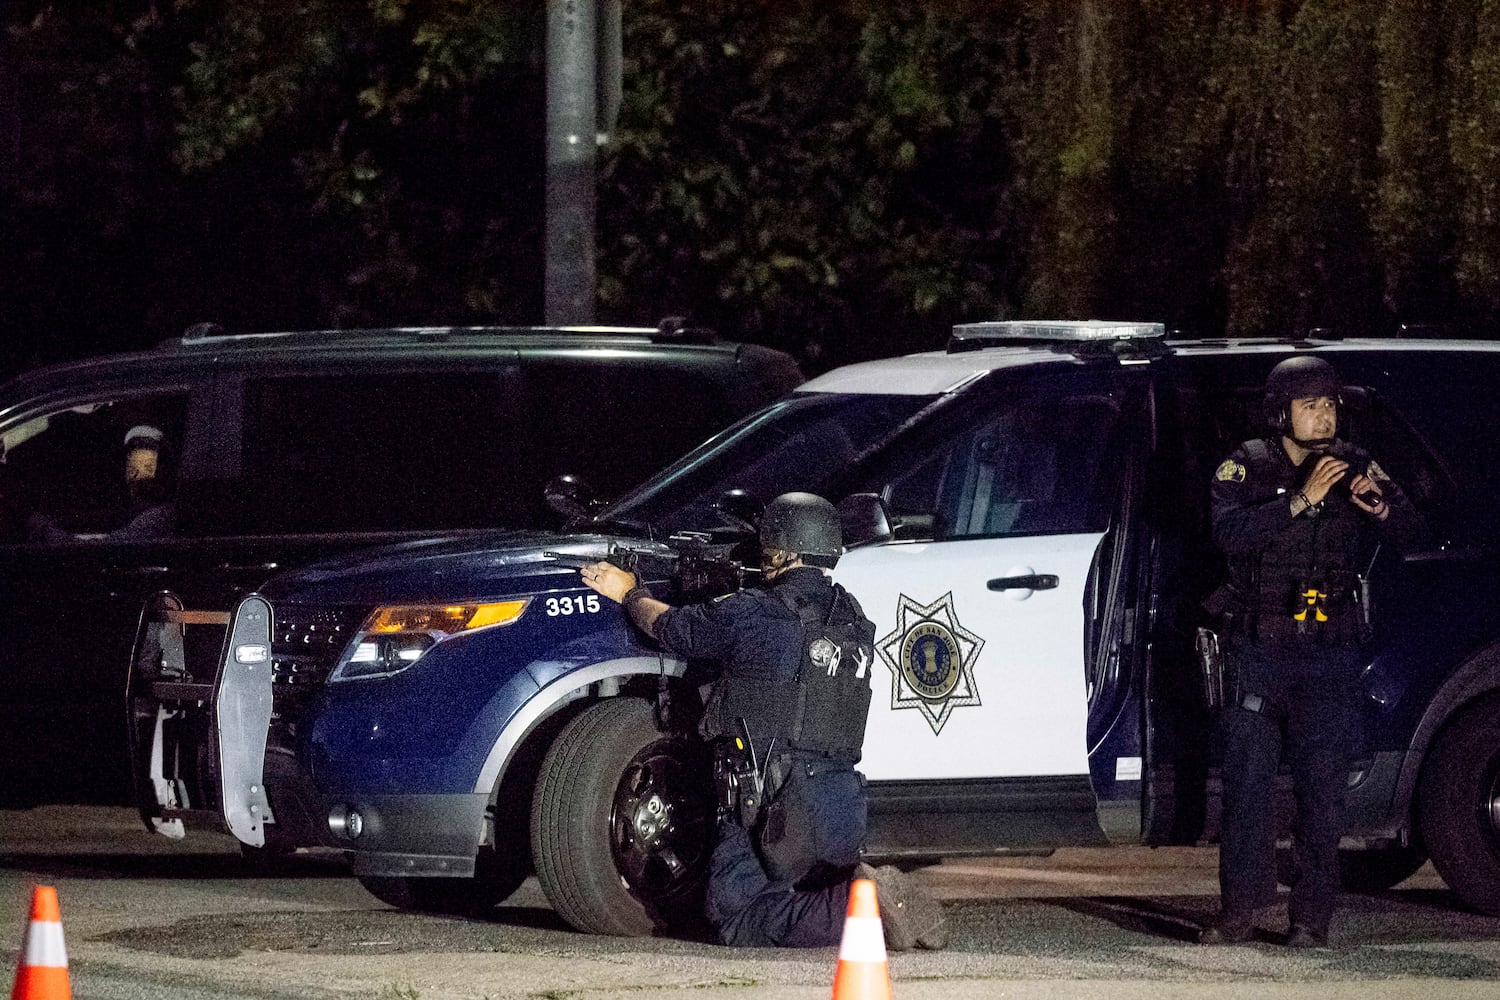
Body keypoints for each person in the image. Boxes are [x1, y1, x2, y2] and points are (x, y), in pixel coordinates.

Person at [580, 492, 947, 950]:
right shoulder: (853, 618)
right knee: (799, 893)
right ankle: (857, 893)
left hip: (773, 804)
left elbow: (671, 628)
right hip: (840, 808)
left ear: (780, 550)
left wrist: (630, 592)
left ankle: (861, 907)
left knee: (737, 916)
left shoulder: (756, 612)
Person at [1200, 356, 1423, 948]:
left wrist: (1380, 507)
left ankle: (1311, 919)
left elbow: (1414, 534)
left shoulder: (1355, 464)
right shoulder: (1244, 465)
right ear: (1281, 413)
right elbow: (1227, 534)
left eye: (1330, 405)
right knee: (1247, 789)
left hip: (1328, 650)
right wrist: (1300, 500)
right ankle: (1239, 913)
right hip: (1258, 648)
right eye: (1310, 405)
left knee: (1322, 792)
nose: (1323, 416)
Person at [27, 424, 176, 542]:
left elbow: (94, 553)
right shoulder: (140, 514)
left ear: (165, 473)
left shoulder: (157, 518)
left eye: (148, 468)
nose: (137, 476)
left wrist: (44, 529)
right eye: (132, 468)